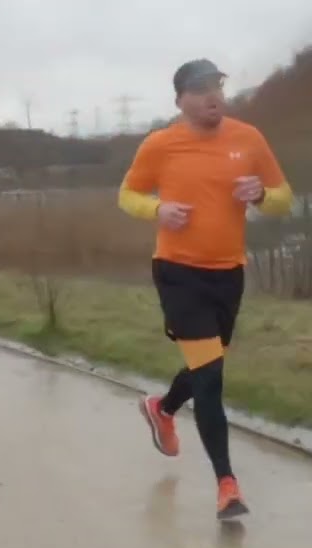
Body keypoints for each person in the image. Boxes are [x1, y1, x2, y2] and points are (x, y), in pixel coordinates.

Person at [117, 59, 293, 520]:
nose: (212, 95)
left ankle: (162, 407)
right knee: (211, 379)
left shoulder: (248, 138)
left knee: (207, 368)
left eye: (217, 85)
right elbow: (128, 195)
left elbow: (283, 198)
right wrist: (157, 210)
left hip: (228, 273)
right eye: (199, 89)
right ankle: (227, 486)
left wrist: (260, 195)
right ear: (180, 101)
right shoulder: (161, 144)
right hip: (178, 272)